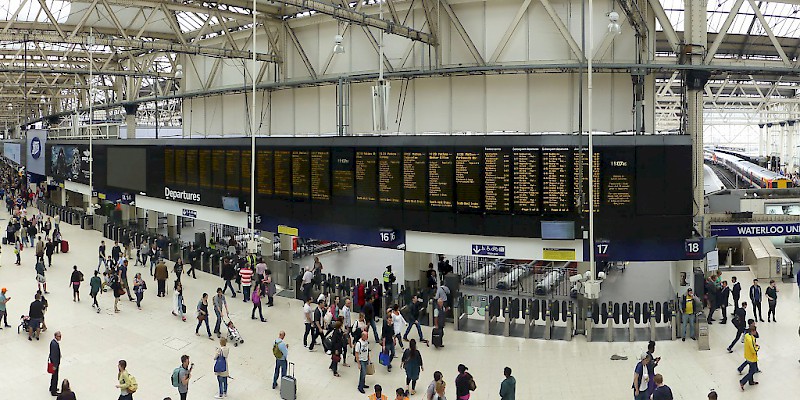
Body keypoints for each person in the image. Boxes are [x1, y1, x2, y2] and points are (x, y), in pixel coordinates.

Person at [739, 326, 760, 390]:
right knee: (752, 371)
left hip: (747, 355)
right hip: (752, 357)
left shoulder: (747, 336)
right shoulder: (751, 339)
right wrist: (757, 348)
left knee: (751, 369)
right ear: (753, 331)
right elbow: (753, 350)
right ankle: (742, 381)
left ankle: (751, 381)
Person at [49, 331, 62, 396]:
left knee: (53, 376)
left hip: (54, 363)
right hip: (55, 364)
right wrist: (55, 365)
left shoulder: (54, 342)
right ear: (55, 336)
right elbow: (54, 355)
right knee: (55, 377)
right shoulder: (54, 344)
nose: (60, 337)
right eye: (59, 336)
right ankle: (53, 391)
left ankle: (52, 388)